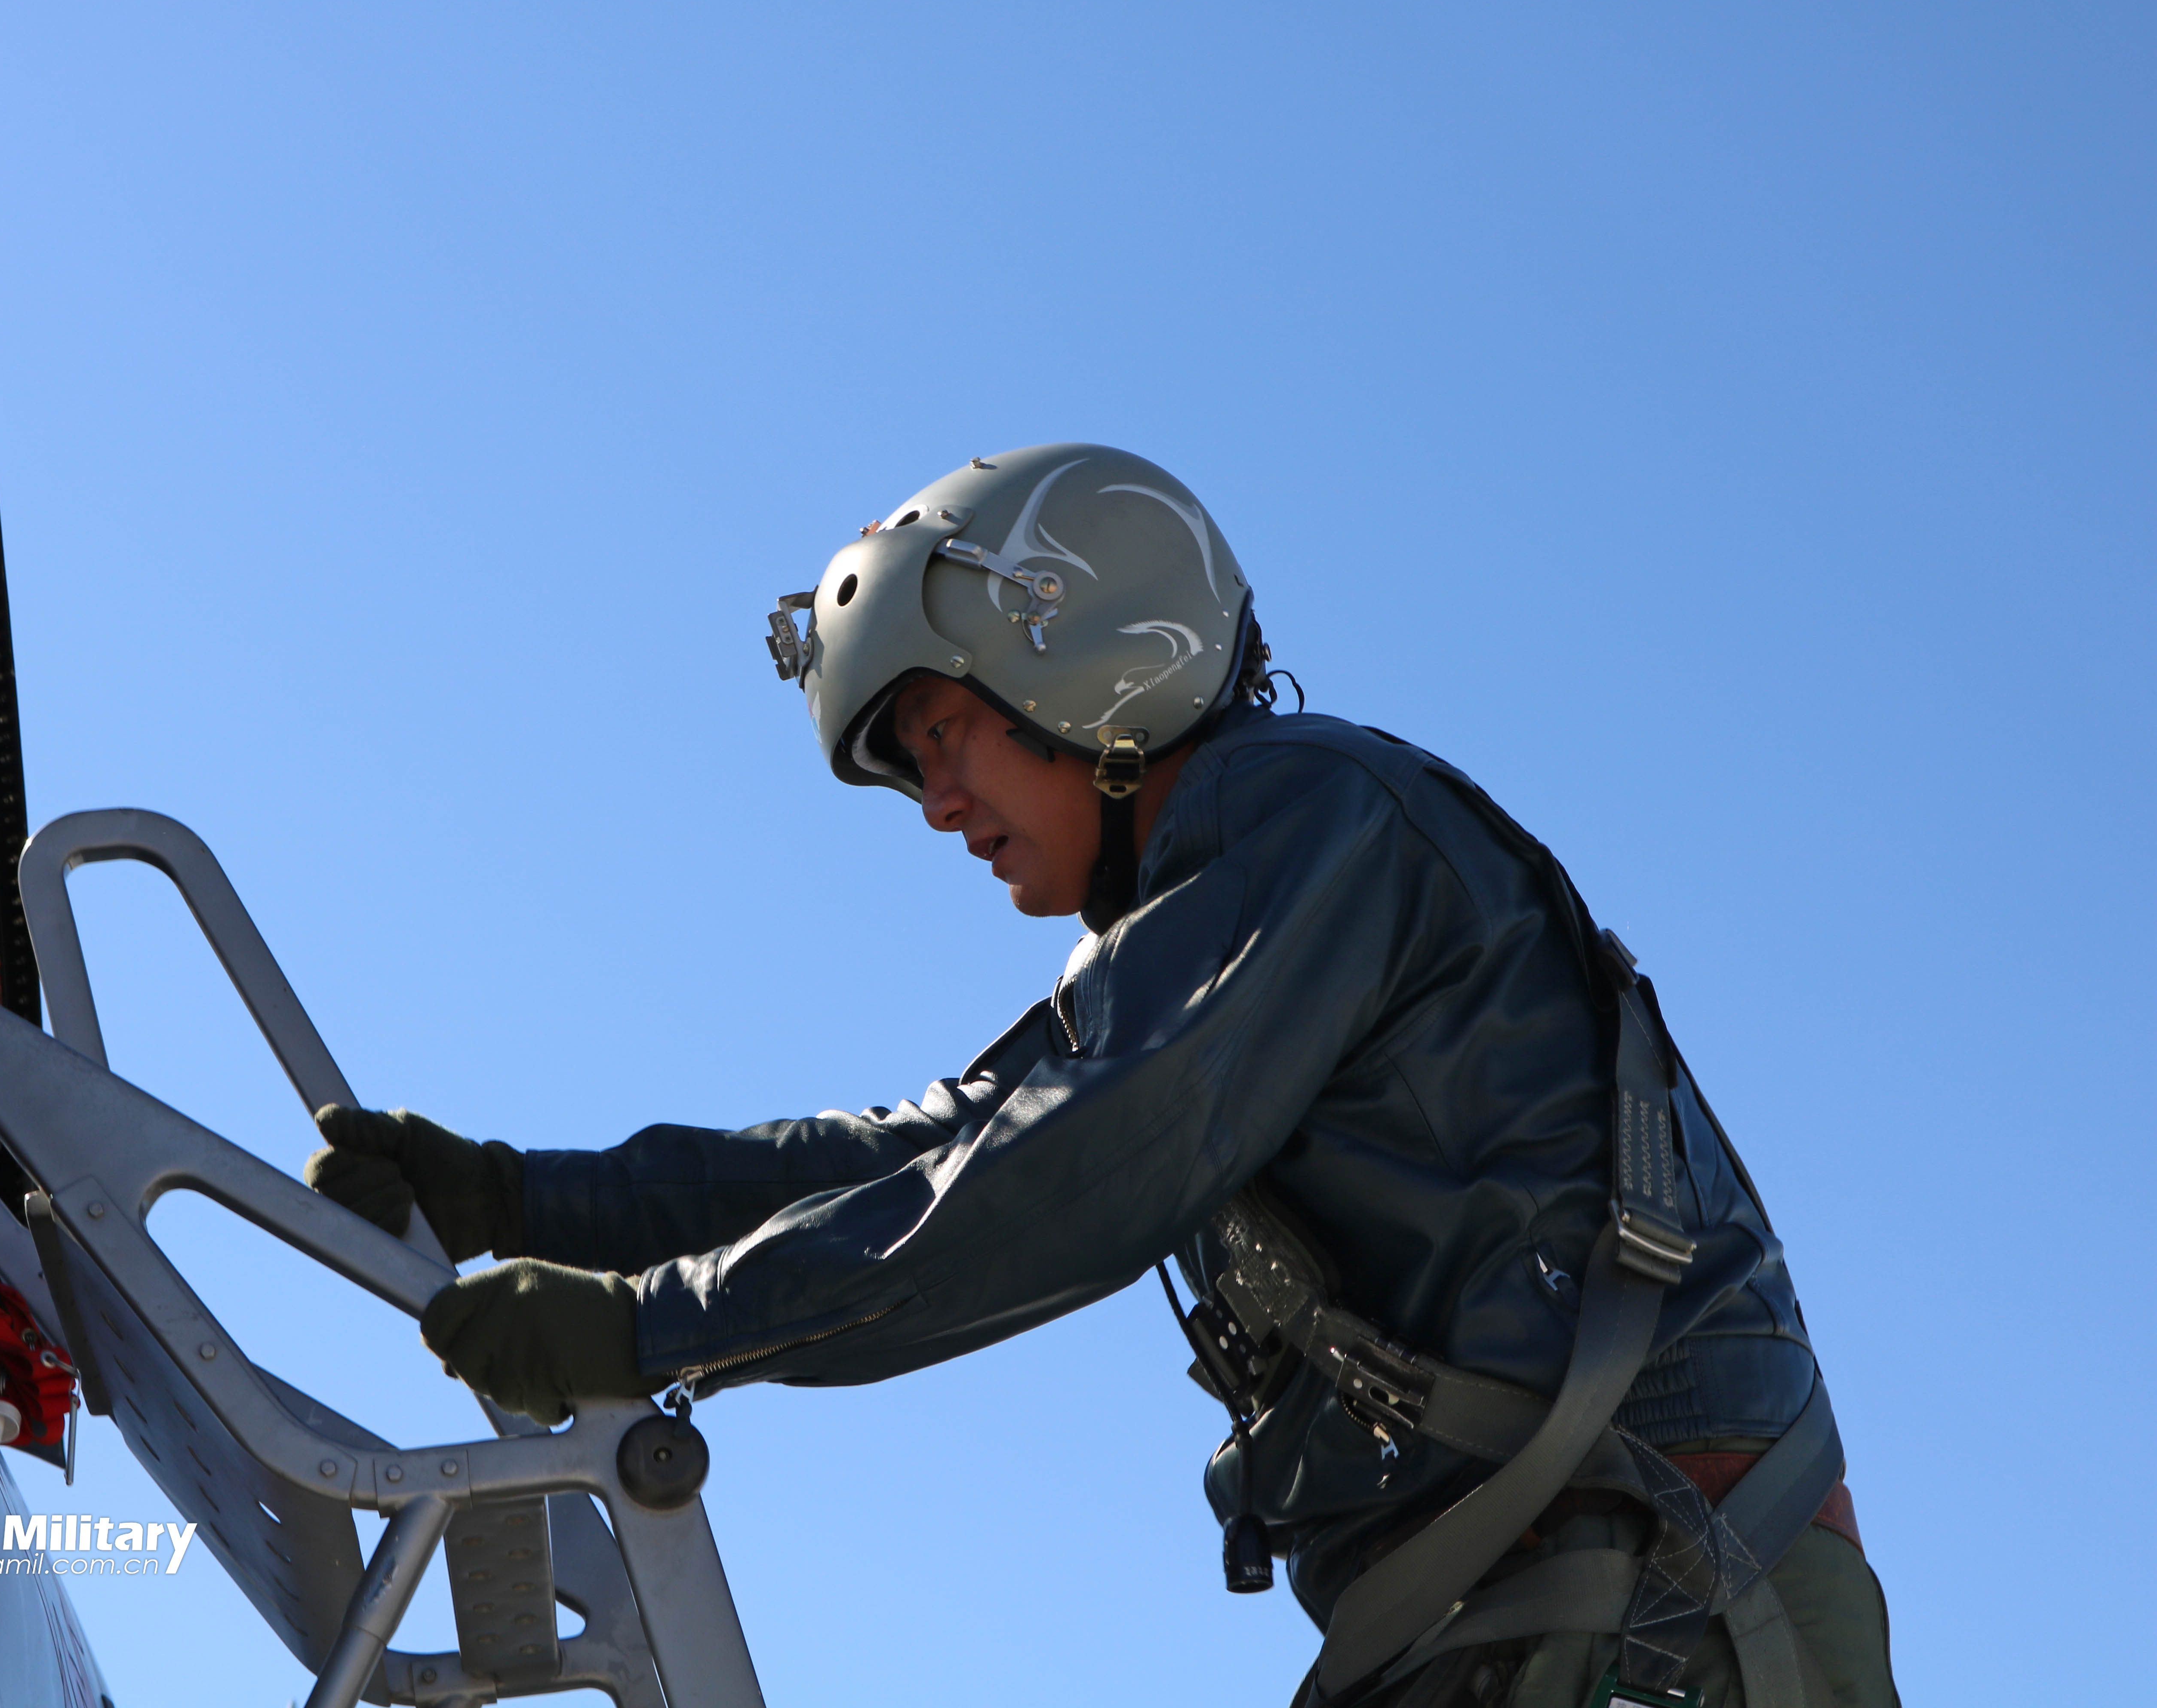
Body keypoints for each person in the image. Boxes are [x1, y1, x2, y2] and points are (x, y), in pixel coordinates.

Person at [307, 445, 1899, 1707]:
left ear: (1079, 659)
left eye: (943, 738)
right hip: (1542, 1608)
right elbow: (934, 1151)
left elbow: (1060, 1176)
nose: (936, 804)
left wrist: (650, 1327)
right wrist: (525, 1196)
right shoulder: (1222, 904)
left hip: (1659, 1611)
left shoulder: (1309, 822)